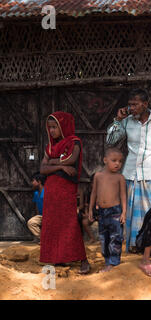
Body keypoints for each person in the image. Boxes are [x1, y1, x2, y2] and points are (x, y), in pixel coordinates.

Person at [106, 88, 151, 253]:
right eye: (130, 105)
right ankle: (135, 246)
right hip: (130, 175)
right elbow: (111, 141)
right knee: (130, 217)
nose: (132, 108)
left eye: (135, 105)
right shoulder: (127, 121)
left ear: (145, 104)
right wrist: (117, 120)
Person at [39, 111, 90, 274]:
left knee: (69, 222)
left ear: (64, 126)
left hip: (66, 188)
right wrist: (60, 166)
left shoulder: (74, 141)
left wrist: (52, 164)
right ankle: (57, 257)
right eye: (50, 128)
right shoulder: (50, 146)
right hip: (51, 190)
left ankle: (83, 260)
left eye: (55, 127)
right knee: (52, 223)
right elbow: (42, 168)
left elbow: (71, 159)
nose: (52, 130)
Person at [89, 147, 127, 272]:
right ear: (105, 160)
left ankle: (113, 262)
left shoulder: (120, 177)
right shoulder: (98, 176)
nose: (118, 164)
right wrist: (90, 210)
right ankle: (107, 262)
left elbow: (123, 195)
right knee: (104, 237)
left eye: (120, 161)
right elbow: (94, 193)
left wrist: (124, 212)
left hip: (115, 211)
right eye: (114, 160)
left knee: (116, 237)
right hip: (101, 212)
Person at [27, 172, 46, 242]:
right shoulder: (36, 193)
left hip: (50, 216)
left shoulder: (47, 192)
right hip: (41, 216)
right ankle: (42, 238)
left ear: (39, 182)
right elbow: (36, 207)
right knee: (31, 222)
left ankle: (43, 239)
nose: (32, 183)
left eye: (33, 181)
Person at [77, 174, 96, 243]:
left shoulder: (102, 192)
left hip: (100, 213)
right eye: (94, 183)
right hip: (92, 213)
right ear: (91, 183)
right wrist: (87, 213)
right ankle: (91, 238)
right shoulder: (88, 192)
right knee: (84, 221)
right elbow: (86, 205)